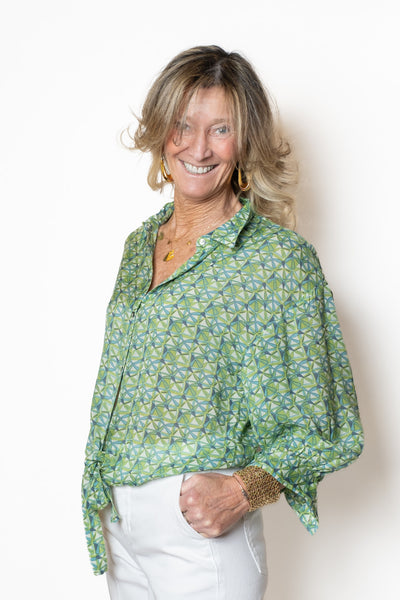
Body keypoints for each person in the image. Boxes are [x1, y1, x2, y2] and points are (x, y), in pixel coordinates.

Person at [81, 45, 363, 600]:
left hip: (199, 535)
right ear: (162, 133)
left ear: (245, 141)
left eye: (220, 130)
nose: (198, 147)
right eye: (183, 125)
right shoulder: (139, 246)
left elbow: (327, 425)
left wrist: (241, 491)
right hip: (119, 526)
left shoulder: (276, 260)